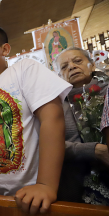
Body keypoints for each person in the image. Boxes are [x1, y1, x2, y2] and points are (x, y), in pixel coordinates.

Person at [0, 22, 72, 214]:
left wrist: (45, 185)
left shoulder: (25, 70)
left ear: (5, 48)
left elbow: (53, 119)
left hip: (25, 196)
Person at [53, 47, 109, 205]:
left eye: (77, 61)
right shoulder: (55, 105)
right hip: (78, 184)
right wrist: (94, 150)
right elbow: (50, 145)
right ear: (59, 76)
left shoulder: (108, 90)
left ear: (91, 65)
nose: (71, 66)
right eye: (64, 66)